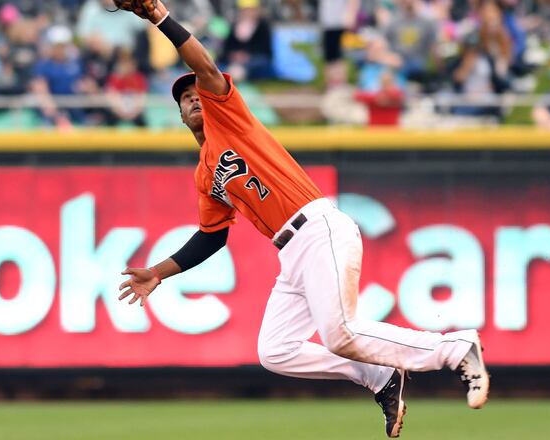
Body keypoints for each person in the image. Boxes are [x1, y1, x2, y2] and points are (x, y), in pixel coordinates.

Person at [115, 1, 490, 438]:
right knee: (275, 350)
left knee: (340, 333)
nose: (194, 97)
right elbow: (211, 236)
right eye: (184, 98)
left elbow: (204, 65)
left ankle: (456, 348)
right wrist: (157, 273)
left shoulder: (231, 121)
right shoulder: (204, 174)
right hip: (291, 253)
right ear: (179, 115)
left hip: (316, 227)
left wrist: (160, 17)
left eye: (197, 92)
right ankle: (380, 377)